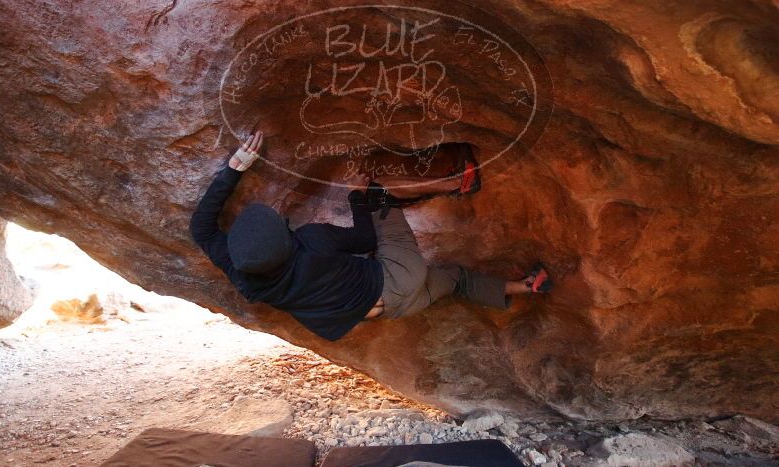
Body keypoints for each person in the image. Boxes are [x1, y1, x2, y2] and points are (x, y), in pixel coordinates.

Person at [189, 131, 552, 341]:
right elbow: (365, 239)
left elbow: (201, 228)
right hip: (397, 276)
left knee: (455, 279)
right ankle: (458, 179)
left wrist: (232, 171)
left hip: (389, 310)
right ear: (286, 240)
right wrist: (356, 196)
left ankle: (526, 286)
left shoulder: (244, 274)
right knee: (379, 193)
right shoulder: (314, 242)